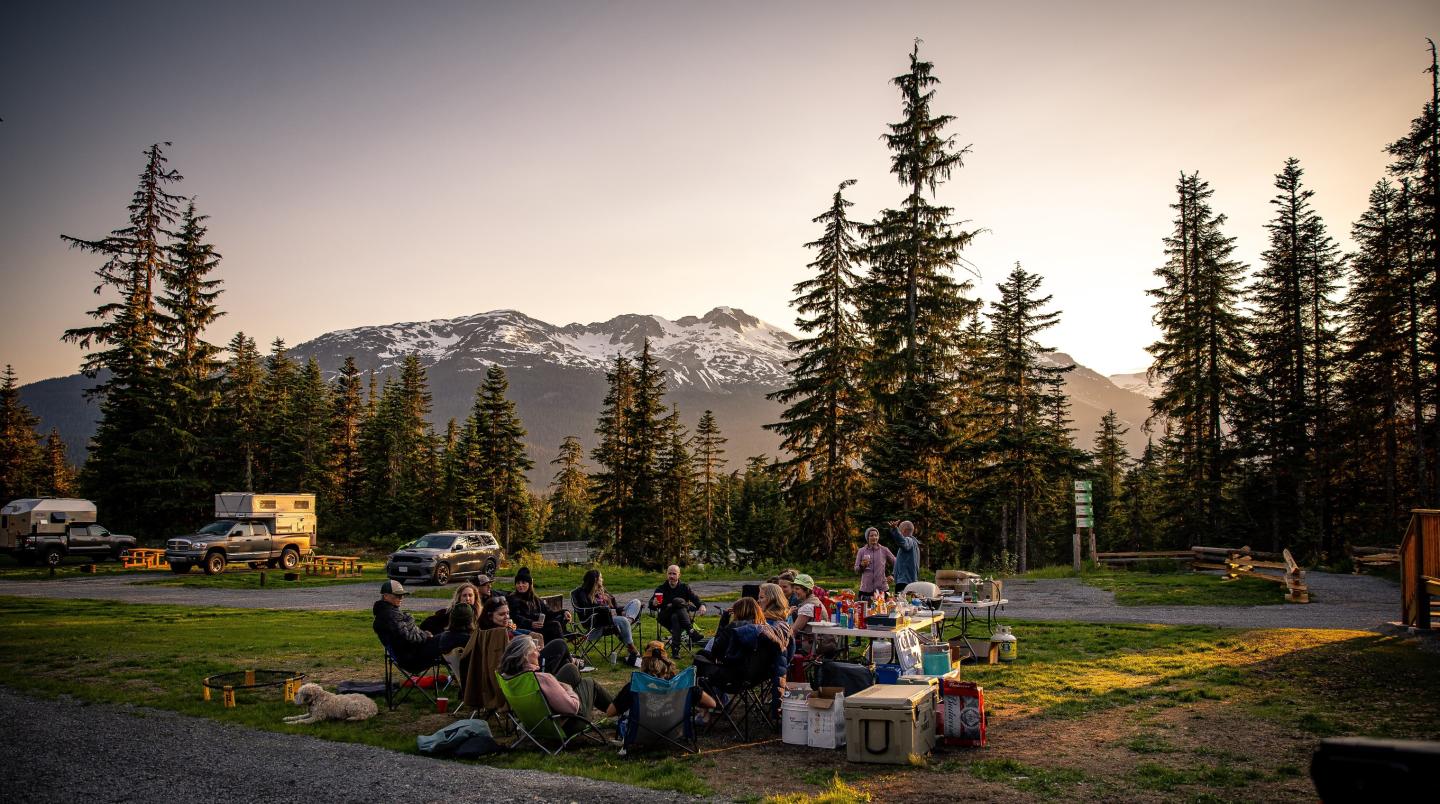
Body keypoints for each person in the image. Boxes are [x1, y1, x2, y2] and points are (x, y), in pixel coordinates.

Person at [498, 634, 614, 720]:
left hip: (534, 721)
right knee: (589, 682)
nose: (539, 654)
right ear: (525, 656)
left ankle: (573, 664)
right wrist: (569, 690)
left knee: (570, 668)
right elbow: (573, 708)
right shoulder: (543, 678)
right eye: (535, 650)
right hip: (564, 722)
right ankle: (617, 710)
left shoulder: (508, 676)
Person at [605, 640, 717, 721]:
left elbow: (610, 713)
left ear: (643, 663)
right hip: (674, 732)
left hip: (643, 733)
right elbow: (712, 703)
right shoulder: (682, 685)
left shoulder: (634, 686)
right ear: (667, 662)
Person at [478, 595, 579, 675]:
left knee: (564, 662)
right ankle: (572, 664)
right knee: (560, 644)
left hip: (527, 661)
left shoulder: (497, 630)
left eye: (507, 613)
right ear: (490, 616)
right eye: (501, 614)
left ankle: (569, 668)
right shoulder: (496, 634)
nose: (507, 617)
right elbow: (513, 654)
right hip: (524, 669)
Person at [571, 568, 641, 667]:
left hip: (614, 617)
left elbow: (615, 607)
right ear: (595, 580)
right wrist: (606, 609)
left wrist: (617, 610)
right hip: (600, 621)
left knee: (636, 602)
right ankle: (631, 646)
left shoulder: (602, 590)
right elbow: (587, 609)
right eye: (601, 577)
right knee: (622, 620)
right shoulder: (582, 593)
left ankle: (627, 622)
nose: (602, 579)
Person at [371, 580, 443, 671]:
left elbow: (405, 634)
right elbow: (408, 638)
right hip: (413, 659)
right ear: (385, 596)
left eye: (402, 595)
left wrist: (410, 621)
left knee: (437, 626)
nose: (401, 598)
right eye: (398, 595)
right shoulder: (390, 616)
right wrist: (426, 635)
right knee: (448, 638)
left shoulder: (387, 613)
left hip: (410, 653)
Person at [650, 564, 707, 653]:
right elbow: (651, 604)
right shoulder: (661, 588)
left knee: (675, 616)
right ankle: (690, 630)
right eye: (669, 573)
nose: (671, 576)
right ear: (666, 574)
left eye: (674, 574)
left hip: (682, 618)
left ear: (679, 575)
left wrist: (702, 605)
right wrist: (653, 603)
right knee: (677, 601)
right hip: (665, 617)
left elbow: (696, 599)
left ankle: (675, 650)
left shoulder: (684, 587)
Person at [507, 566, 569, 644]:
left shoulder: (535, 599)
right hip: (523, 630)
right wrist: (530, 623)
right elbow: (515, 616)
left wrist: (564, 612)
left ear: (529, 584)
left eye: (523, 583)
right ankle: (561, 649)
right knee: (554, 626)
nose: (520, 585)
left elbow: (549, 613)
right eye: (518, 583)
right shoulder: (512, 598)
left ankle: (558, 648)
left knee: (556, 622)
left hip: (538, 628)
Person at [789, 574, 827, 658]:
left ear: (806, 590)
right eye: (794, 588)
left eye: (797, 589)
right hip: (821, 643)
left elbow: (793, 631)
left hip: (812, 648)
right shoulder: (815, 600)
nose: (794, 591)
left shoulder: (808, 607)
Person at [855, 527, 895, 600]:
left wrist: (893, 575)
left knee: (883, 607)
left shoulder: (884, 550)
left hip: (882, 589)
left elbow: (897, 564)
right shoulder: (861, 551)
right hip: (866, 590)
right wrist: (862, 565)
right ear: (867, 538)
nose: (874, 537)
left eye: (876, 535)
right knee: (865, 607)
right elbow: (856, 569)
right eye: (871, 536)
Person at [889, 520, 921, 594]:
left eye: (899, 530)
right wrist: (893, 574)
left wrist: (895, 529)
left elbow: (903, 542)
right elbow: (903, 562)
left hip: (904, 583)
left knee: (901, 601)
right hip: (909, 581)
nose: (899, 532)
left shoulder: (909, 540)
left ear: (904, 530)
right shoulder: (915, 544)